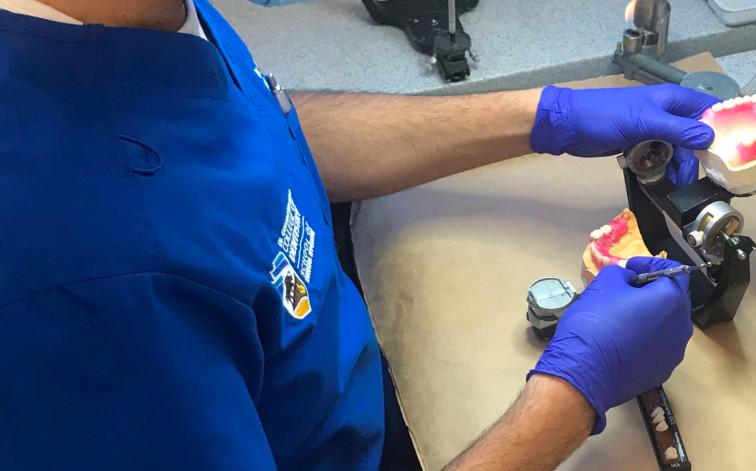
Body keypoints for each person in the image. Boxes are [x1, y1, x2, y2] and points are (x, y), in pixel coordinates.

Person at [0, 0, 719, 469]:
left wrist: (546, 116)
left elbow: (244, 135)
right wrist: (571, 394)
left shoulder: (131, 17)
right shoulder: (89, 280)